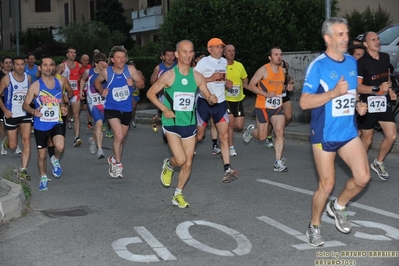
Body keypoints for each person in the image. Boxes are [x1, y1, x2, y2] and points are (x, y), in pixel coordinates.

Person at [299, 17, 370, 247]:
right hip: (324, 133)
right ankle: (314, 226)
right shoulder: (318, 66)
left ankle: (338, 206)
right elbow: (304, 103)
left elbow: (352, 91)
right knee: (326, 185)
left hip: (348, 132)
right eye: (340, 34)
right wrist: (332, 94)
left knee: (363, 177)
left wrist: (358, 103)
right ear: (327, 38)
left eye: (347, 34)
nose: (346, 38)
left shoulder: (351, 61)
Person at [147, 39, 217, 208]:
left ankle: (177, 194)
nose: (188, 55)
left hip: (189, 123)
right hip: (171, 122)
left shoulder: (197, 76)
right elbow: (150, 93)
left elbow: (207, 95)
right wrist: (164, 109)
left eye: (191, 51)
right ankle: (169, 165)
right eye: (184, 51)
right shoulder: (169, 75)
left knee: (188, 162)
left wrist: (211, 98)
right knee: (180, 159)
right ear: (177, 54)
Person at [94, 45, 145, 178]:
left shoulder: (130, 70)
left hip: (126, 109)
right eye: (118, 57)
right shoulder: (106, 72)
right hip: (111, 108)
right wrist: (101, 91)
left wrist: (133, 84)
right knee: (119, 136)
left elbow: (142, 83)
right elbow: (97, 82)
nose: (122, 60)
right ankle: (118, 164)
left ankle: (113, 160)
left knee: (121, 139)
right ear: (112, 59)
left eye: (123, 57)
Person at [194, 37, 239, 183]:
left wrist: (227, 83)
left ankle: (227, 168)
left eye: (221, 47)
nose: (220, 50)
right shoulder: (203, 62)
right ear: (209, 49)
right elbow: (193, 80)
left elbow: (221, 80)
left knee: (224, 136)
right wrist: (211, 78)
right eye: (217, 47)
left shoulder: (224, 62)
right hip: (204, 103)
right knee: (200, 136)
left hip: (220, 103)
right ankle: (186, 150)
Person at [243, 47, 292, 172]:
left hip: (276, 107)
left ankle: (278, 162)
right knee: (262, 137)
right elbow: (251, 86)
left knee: (280, 132)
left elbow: (283, 86)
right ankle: (251, 131)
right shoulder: (263, 70)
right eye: (276, 54)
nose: (279, 57)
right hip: (263, 106)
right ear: (270, 57)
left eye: (280, 54)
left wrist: (288, 88)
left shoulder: (283, 71)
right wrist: (265, 94)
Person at [23, 57, 69, 191]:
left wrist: (63, 108)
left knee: (60, 147)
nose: (48, 67)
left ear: (54, 67)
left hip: (55, 121)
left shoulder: (59, 83)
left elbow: (60, 101)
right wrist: (32, 111)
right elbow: (25, 104)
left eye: (51, 65)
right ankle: (43, 177)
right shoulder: (35, 86)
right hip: (40, 124)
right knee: (42, 155)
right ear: (40, 67)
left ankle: (55, 159)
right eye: (45, 65)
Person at [356, 31, 397, 181]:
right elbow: (358, 88)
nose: (377, 41)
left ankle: (378, 162)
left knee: (392, 135)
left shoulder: (385, 57)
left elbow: (386, 77)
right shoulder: (361, 63)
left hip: (383, 102)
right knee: (367, 140)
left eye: (378, 38)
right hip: (367, 104)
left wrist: (390, 89)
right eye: (373, 39)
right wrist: (376, 88)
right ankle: (359, 167)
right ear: (366, 44)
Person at [0, 56, 32, 180]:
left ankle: (23, 170)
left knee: (26, 141)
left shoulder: (28, 78)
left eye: (22, 64)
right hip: (11, 115)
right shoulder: (6, 79)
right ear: (13, 66)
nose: (20, 67)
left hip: (25, 115)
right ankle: (9, 138)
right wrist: (5, 110)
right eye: (17, 64)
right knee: (12, 146)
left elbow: (32, 94)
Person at [80, 53, 108, 159]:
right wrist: (81, 91)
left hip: (104, 101)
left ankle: (93, 140)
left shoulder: (107, 72)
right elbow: (83, 79)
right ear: (96, 64)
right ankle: (100, 150)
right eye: (101, 63)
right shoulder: (89, 72)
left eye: (104, 62)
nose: (103, 65)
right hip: (93, 101)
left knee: (99, 124)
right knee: (99, 123)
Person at [223, 44, 249, 156]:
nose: (231, 53)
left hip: (238, 100)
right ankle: (231, 147)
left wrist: (245, 84)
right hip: (226, 99)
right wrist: (225, 84)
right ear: (224, 53)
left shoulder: (239, 65)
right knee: (230, 123)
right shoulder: (221, 66)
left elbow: (245, 78)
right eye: (229, 51)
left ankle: (250, 132)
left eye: (233, 51)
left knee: (239, 126)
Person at [264, 58, 295, 148]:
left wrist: (290, 82)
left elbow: (288, 78)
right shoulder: (268, 69)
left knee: (288, 116)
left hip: (284, 95)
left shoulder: (285, 64)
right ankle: (269, 136)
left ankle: (278, 128)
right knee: (271, 119)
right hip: (273, 96)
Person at [57, 47, 83, 146]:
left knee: (76, 115)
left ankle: (77, 137)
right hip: (64, 94)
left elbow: (82, 77)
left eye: (74, 52)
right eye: (71, 52)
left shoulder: (79, 66)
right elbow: (55, 78)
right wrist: (62, 93)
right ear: (67, 54)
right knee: (63, 115)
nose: (73, 54)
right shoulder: (62, 66)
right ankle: (60, 136)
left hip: (75, 93)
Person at [150, 48, 177, 143]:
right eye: (168, 56)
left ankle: (173, 133)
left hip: (176, 95)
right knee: (164, 114)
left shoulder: (178, 66)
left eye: (172, 55)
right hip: (163, 96)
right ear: (163, 57)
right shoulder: (159, 68)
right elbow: (152, 81)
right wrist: (159, 87)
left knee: (176, 114)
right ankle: (166, 132)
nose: (170, 58)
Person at [127, 60, 145, 128]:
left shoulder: (138, 72)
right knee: (130, 106)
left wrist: (139, 78)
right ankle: (128, 120)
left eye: (133, 64)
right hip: (128, 92)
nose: (132, 66)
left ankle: (132, 119)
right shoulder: (126, 72)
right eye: (131, 65)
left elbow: (143, 82)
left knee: (134, 107)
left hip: (136, 92)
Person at [79, 54, 93, 130]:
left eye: (87, 60)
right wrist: (83, 74)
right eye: (85, 60)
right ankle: (75, 115)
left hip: (89, 90)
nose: (86, 62)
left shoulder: (90, 67)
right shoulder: (79, 67)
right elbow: (78, 78)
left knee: (89, 106)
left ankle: (89, 122)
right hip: (82, 89)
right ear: (81, 60)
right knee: (84, 107)